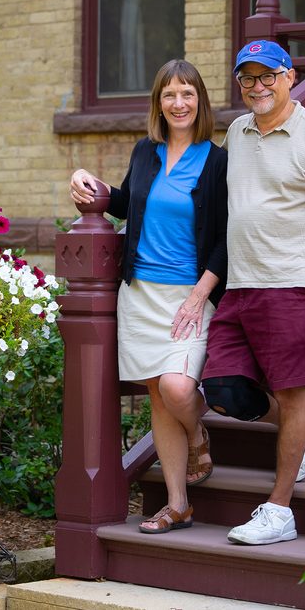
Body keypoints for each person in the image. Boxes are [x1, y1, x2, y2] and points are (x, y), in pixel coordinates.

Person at [201, 40, 305, 545]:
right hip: (241, 284)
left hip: (291, 283)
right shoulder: (239, 132)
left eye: (268, 76)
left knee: (291, 394)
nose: (258, 86)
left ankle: (279, 510)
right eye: (247, 78)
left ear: (289, 76)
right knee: (221, 389)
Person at [69, 59, 228, 535]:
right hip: (139, 294)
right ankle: (178, 503)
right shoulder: (145, 151)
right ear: (158, 103)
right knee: (159, 397)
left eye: (187, 94)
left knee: (178, 388)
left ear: (199, 101)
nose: (178, 103)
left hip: (189, 294)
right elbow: (128, 204)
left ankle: (198, 434)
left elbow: (225, 235)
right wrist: (87, 180)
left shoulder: (217, 160)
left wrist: (200, 294)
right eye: (168, 94)